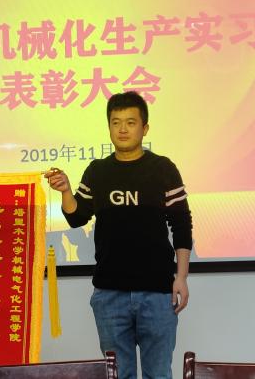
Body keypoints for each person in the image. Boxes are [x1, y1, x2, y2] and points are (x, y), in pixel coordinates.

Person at [45, 91, 193, 379]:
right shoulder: (98, 171)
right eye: (116, 122)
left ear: (144, 128)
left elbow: (181, 225)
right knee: (118, 376)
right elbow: (77, 216)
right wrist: (65, 191)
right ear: (109, 127)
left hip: (157, 292)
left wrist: (182, 277)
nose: (123, 129)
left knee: (158, 375)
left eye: (130, 122)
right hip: (110, 294)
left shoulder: (162, 169)